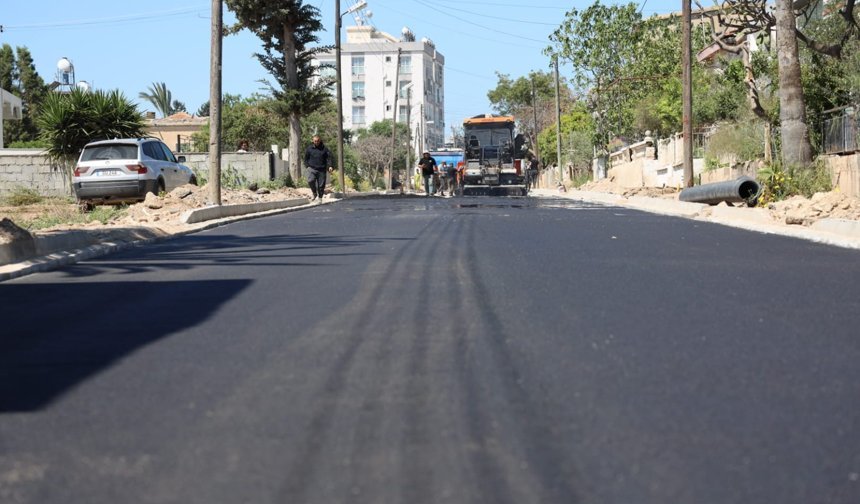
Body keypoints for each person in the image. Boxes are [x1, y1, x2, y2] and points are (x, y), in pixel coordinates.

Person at [303, 135, 333, 201]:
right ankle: (314, 193)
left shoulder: (324, 149)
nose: (316, 142)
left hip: (322, 169)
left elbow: (329, 158)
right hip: (312, 168)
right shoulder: (309, 148)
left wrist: (330, 166)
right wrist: (307, 166)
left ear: (320, 140)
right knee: (310, 181)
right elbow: (306, 158)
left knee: (321, 186)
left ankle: (320, 197)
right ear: (313, 141)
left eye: (318, 141)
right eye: (315, 141)